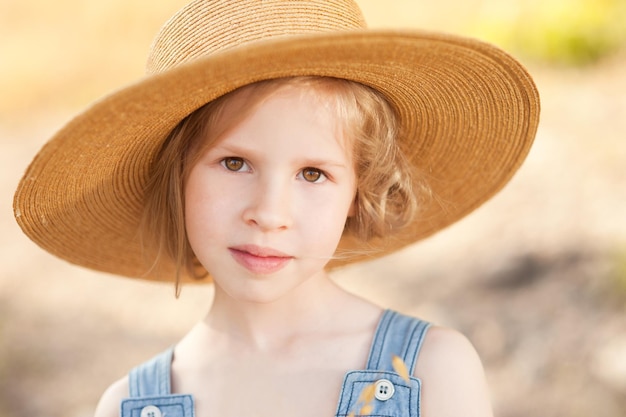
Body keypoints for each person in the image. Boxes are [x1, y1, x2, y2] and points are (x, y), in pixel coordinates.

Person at [13, 1, 540, 416]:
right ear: (176, 178)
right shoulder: (131, 407)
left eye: (313, 174)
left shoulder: (430, 371)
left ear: (358, 192)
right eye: (235, 163)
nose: (269, 213)